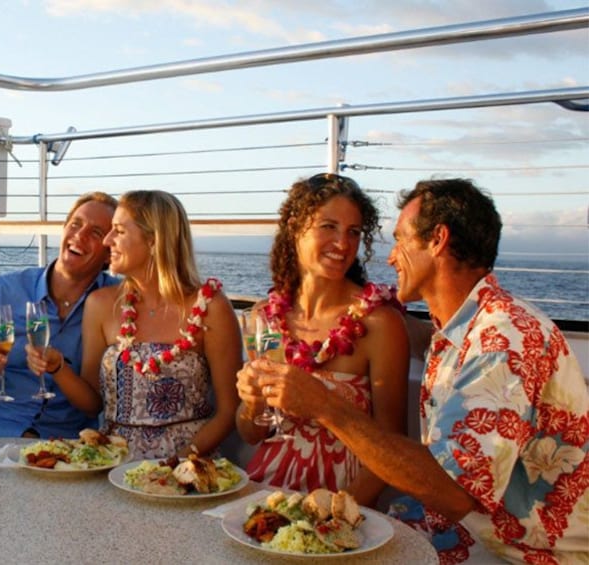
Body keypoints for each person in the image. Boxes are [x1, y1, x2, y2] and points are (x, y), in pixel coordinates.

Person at [252, 178, 588, 563]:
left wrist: (325, 406)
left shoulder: (504, 339)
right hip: (460, 529)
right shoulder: (463, 329)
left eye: (400, 240)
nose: (392, 257)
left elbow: (453, 491)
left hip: (520, 552)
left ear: (438, 240)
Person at [234, 172, 410, 507]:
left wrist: (334, 516)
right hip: (268, 492)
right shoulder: (265, 320)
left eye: (354, 232)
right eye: (328, 226)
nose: (343, 244)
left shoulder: (379, 325)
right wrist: (252, 404)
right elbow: (253, 433)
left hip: (343, 499)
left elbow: (394, 445)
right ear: (295, 227)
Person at [31, 190, 242, 460]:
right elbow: (92, 403)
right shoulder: (100, 304)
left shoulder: (211, 307)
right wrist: (57, 367)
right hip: (111, 462)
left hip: (187, 465)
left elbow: (228, 411)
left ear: (154, 240)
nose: (108, 240)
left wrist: (174, 466)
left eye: (118, 231)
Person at [0, 191, 118, 439]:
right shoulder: (3, 290)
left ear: (109, 254)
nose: (79, 236)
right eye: (75, 225)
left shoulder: (116, 302)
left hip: (67, 443)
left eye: (96, 233)